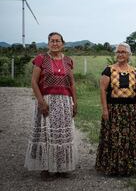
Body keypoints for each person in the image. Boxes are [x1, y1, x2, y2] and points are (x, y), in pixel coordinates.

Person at [24, 32, 78, 180]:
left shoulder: (68, 61)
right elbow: (34, 82)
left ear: (63, 44)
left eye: (58, 41)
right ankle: (46, 168)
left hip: (65, 102)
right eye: (52, 41)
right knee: (47, 134)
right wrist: (41, 101)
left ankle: (61, 168)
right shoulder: (41, 59)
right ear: (48, 43)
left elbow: (72, 83)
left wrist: (75, 102)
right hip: (47, 101)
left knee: (62, 136)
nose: (55, 43)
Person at [95, 42, 136, 176]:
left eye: (123, 52)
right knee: (114, 138)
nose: (120, 54)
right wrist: (105, 109)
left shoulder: (134, 71)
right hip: (114, 110)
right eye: (118, 52)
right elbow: (102, 90)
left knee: (130, 139)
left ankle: (130, 168)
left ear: (129, 54)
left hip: (130, 111)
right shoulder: (109, 70)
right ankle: (112, 167)